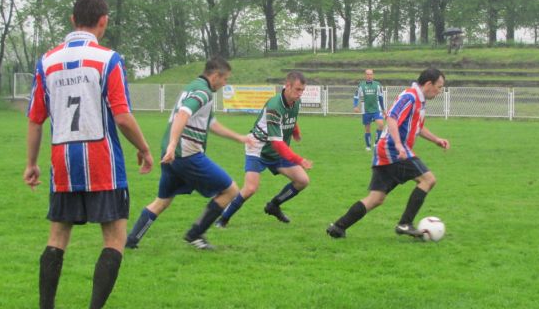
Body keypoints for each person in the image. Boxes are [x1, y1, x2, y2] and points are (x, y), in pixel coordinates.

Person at [24, 0, 154, 309]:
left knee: (57, 236)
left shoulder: (46, 62)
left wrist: (31, 163)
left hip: (63, 164)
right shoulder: (108, 59)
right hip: (103, 164)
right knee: (114, 238)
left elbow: (35, 119)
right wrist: (144, 148)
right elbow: (122, 116)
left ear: (72, 20)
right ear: (103, 21)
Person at [125, 57, 249, 251]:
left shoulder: (192, 87)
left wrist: (239, 138)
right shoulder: (203, 92)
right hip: (186, 155)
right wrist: (173, 145)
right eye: (225, 79)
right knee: (230, 190)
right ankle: (195, 234)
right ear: (215, 76)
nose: (225, 83)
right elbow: (183, 114)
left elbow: (210, 124)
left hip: (172, 155)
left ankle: (131, 241)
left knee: (162, 201)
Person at [327, 68, 449, 239]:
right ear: (428, 84)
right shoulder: (410, 96)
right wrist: (398, 144)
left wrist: (436, 139)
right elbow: (391, 117)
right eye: (439, 87)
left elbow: (417, 127)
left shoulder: (419, 100)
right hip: (393, 150)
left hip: (387, 150)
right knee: (428, 180)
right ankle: (405, 223)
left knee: (376, 198)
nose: (439, 91)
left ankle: (338, 227)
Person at [216, 72, 313, 227]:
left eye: (302, 90)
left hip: (277, 151)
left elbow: (291, 118)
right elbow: (277, 144)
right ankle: (223, 219)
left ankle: (273, 206)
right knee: (250, 188)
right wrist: (299, 160)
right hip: (258, 148)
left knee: (302, 181)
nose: (300, 93)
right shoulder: (274, 106)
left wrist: (296, 132)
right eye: (297, 89)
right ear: (287, 86)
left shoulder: (296, 102)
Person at [353, 69, 385, 150]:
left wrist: (383, 109)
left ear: (373, 75)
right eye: (367, 74)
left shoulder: (377, 85)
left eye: (371, 74)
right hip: (366, 110)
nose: (369, 76)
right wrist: (355, 106)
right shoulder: (361, 85)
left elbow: (381, 97)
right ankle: (368, 146)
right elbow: (356, 96)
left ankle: (376, 143)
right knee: (367, 129)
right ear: (365, 75)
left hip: (376, 109)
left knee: (381, 125)